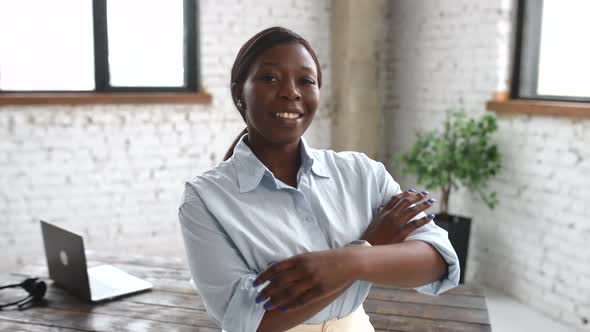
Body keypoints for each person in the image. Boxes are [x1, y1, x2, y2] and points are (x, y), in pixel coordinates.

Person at [178, 26, 460, 332]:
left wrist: (348, 261)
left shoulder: (362, 173)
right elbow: (249, 320)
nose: (291, 92)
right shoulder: (204, 199)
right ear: (239, 93)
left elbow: (437, 260)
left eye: (306, 81)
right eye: (271, 78)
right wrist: (373, 246)